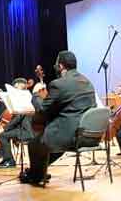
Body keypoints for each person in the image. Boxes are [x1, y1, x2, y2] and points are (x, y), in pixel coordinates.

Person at [20, 51, 97, 187]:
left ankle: (35, 175)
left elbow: (43, 110)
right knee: (44, 143)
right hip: (89, 134)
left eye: (56, 64)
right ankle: (38, 172)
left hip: (70, 136)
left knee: (34, 144)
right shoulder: (87, 82)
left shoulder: (59, 84)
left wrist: (36, 97)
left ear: (60, 66)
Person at [0, 78, 34, 168]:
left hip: (26, 131)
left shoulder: (25, 99)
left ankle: (10, 161)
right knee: (4, 134)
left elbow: (18, 118)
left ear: (22, 86)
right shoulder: (24, 98)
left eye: (16, 88)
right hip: (20, 129)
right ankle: (6, 159)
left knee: (3, 135)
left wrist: (4, 129)